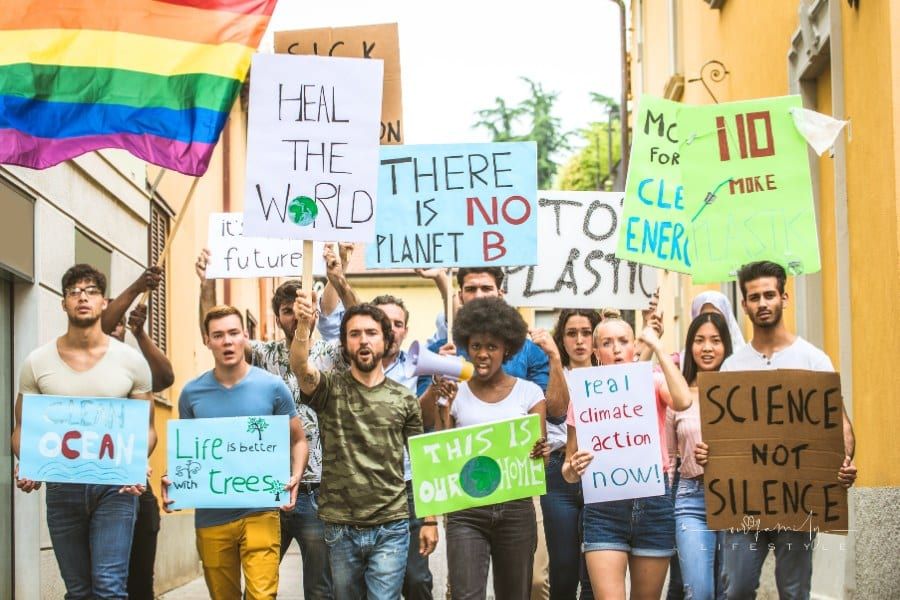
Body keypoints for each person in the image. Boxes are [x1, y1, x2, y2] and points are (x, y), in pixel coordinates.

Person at [196, 244, 357, 599]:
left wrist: (340, 278)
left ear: (313, 310)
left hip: (319, 490)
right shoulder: (264, 354)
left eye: (300, 308)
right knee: (257, 584)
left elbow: (362, 324)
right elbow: (217, 335)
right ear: (278, 316)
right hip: (266, 489)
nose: (294, 316)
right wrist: (207, 284)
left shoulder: (332, 353)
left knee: (320, 588)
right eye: (286, 311)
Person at [694, 261, 857, 600]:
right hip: (742, 505)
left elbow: (838, 424)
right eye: (754, 297)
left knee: (794, 591)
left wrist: (843, 461)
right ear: (744, 305)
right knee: (736, 588)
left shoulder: (813, 360)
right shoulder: (732, 366)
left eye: (769, 295)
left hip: (798, 501)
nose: (762, 303)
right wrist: (707, 453)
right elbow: (721, 437)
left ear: (784, 297)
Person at [11, 264, 156, 599]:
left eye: (90, 291)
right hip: (62, 486)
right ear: (63, 303)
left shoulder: (130, 362)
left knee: (108, 587)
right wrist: (28, 463)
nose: (82, 297)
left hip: (116, 487)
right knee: (78, 590)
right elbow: (21, 429)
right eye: (74, 291)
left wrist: (136, 462)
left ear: (104, 302)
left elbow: (147, 429)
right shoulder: (37, 362)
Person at [419, 266, 555, 599]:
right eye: (476, 345)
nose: (482, 354)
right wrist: (441, 406)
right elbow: (440, 452)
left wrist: (543, 453)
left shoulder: (530, 394)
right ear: (467, 344)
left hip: (517, 508)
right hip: (467, 510)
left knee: (516, 593)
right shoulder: (454, 392)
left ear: (506, 349)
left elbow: (539, 460)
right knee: (466, 593)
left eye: (491, 347)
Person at [162, 305, 308, 600]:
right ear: (207, 340)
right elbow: (190, 454)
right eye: (218, 335)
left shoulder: (272, 387)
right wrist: (174, 479)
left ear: (245, 336)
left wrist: (295, 476)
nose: (227, 341)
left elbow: (298, 440)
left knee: (262, 596)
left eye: (233, 333)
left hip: (261, 511)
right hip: (212, 518)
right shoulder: (192, 394)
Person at [290, 294, 426, 599]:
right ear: (345, 343)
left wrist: (428, 520)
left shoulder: (404, 399)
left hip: (391, 524)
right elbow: (300, 365)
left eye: (371, 333)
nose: (363, 341)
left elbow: (420, 462)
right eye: (354, 334)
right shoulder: (328, 388)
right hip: (339, 526)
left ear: (385, 339)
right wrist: (303, 326)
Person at [562, 318, 692, 600]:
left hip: (654, 504)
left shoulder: (653, 381)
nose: (616, 349)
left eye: (623, 341)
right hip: (604, 509)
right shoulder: (583, 395)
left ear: (634, 346)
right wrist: (573, 468)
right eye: (607, 343)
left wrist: (657, 345)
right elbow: (568, 468)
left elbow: (683, 400)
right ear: (596, 352)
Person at [103, 267, 175, 600]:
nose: (115, 322)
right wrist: (137, 286)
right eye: (112, 312)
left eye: (119, 317)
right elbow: (104, 325)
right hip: (92, 482)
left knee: (139, 584)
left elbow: (165, 377)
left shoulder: (132, 364)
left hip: (133, 483)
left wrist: (140, 332)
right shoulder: (83, 361)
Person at [369, 294, 440, 600]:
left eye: (398, 323)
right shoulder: (351, 365)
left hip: (408, 485)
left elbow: (425, 426)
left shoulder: (417, 365)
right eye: (384, 322)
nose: (392, 329)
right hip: (365, 490)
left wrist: (431, 517)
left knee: (416, 579)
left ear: (405, 330)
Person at [529, 309, 600, 600]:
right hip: (559, 475)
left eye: (587, 333)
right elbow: (557, 413)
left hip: (602, 473)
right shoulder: (551, 375)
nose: (580, 340)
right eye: (572, 333)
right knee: (563, 568)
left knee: (597, 567)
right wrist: (555, 359)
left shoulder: (613, 375)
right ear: (562, 338)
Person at [665, 312, 734, 600]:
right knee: (699, 591)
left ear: (726, 346)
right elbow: (669, 459)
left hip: (736, 500)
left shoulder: (743, 393)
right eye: (700, 340)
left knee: (730, 590)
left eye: (715, 341)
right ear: (689, 347)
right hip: (691, 499)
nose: (707, 348)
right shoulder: (677, 397)